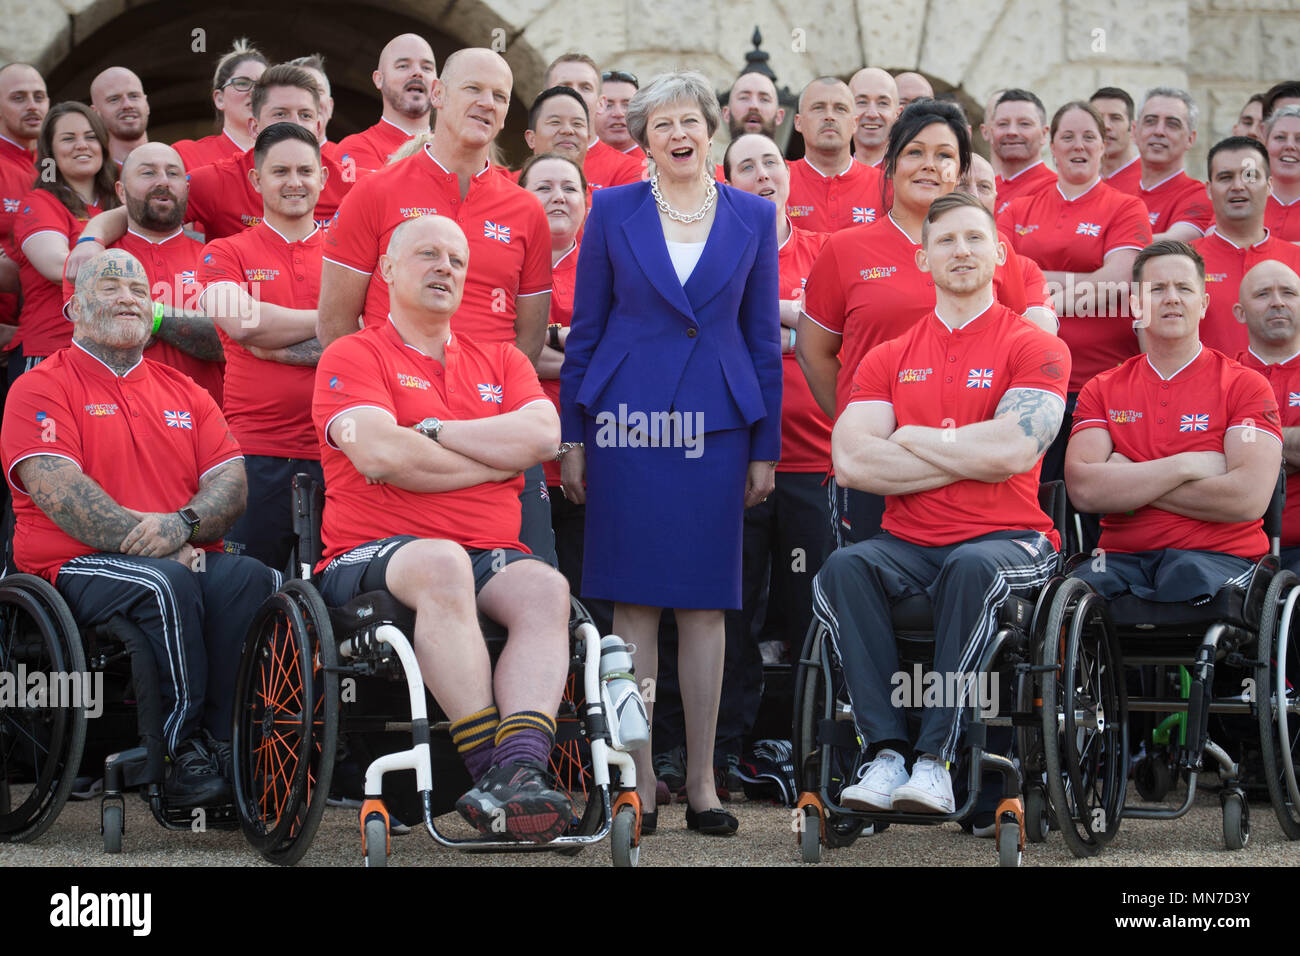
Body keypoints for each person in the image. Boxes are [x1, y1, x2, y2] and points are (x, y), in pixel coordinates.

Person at [559, 71, 781, 836]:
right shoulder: (611, 208)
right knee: (635, 607)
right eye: (662, 125)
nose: (678, 134)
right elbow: (585, 331)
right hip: (625, 426)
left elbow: (762, 343)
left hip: (718, 430)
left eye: (690, 120)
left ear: (710, 129)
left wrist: (765, 447)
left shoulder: (753, 213)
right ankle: (640, 776)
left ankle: (705, 782)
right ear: (644, 139)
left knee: (707, 605)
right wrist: (574, 438)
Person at [313, 214, 574, 843]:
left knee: (546, 588)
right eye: (428, 255)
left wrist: (431, 433)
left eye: (457, 261)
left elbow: (543, 437)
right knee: (443, 563)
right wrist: (491, 462)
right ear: (389, 270)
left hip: (489, 551)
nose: (446, 269)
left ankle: (520, 774)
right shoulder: (352, 354)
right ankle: (491, 770)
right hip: (369, 554)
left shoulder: (503, 358)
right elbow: (380, 456)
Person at [813, 192, 1068, 815]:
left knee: (971, 569)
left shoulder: (1035, 347)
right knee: (843, 566)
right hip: (908, 544)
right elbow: (852, 461)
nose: (961, 251)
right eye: (946, 242)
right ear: (922, 260)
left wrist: (916, 440)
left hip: (1010, 539)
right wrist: (967, 453)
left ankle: (937, 760)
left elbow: (1012, 450)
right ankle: (886, 754)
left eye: (975, 239)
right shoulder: (888, 356)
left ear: (1000, 255)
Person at [0, 248, 280, 806]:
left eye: (138, 289)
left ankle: (230, 746)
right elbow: (61, 494)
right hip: (71, 565)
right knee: (165, 583)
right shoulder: (40, 387)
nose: (128, 297)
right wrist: (158, 544)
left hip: (177, 547)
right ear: (74, 307)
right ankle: (181, 751)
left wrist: (183, 524)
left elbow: (230, 481)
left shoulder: (186, 392)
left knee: (252, 578)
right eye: (110, 288)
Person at [319, 48, 554, 564]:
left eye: (500, 96)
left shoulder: (525, 209)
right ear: (440, 95)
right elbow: (335, 322)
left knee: (540, 588)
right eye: (473, 89)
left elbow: (529, 337)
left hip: (497, 422)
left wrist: (491, 430)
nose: (487, 103)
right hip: (400, 425)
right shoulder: (375, 191)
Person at [799, 101, 1055, 545]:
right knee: (871, 586)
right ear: (891, 164)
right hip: (882, 465)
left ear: (959, 170)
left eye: (944, 155)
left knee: (961, 585)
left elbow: (1020, 339)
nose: (929, 166)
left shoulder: (992, 252)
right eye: (915, 152)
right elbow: (814, 350)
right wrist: (862, 427)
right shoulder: (845, 249)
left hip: (975, 465)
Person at [1065, 240, 1282, 609]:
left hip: (1218, 558)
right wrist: (1187, 466)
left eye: (1184, 288)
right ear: (1135, 304)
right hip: (1119, 560)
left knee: (1184, 579)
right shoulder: (1101, 388)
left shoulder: (1245, 385)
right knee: (1068, 597)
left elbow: (1248, 499)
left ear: (1203, 304)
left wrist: (1130, 479)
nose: (1171, 298)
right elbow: (1085, 491)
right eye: (1157, 289)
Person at [720, 131, 833, 779]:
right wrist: (792, 323)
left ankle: (806, 746)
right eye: (746, 166)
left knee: (807, 610)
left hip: (815, 463)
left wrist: (780, 321)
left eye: (771, 162)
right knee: (734, 612)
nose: (763, 174)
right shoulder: (721, 253)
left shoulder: (827, 250)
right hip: (738, 460)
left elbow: (831, 330)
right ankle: (731, 744)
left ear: (789, 177)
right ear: (728, 180)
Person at [997, 100, 1153, 486]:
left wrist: (1033, 291)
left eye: (1089, 137)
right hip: (1030, 380)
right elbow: (998, 281)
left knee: (1098, 500)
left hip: (1104, 384)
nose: (1078, 146)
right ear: (1052, 143)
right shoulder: (1018, 210)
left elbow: (1117, 282)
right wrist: (1085, 280)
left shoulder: (1127, 208)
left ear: (1104, 145)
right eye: (1068, 137)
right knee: (1035, 493)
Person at [200, 123, 327, 571]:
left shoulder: (348, 256)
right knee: (248, 593)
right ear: (256, 180)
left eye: (305, 170)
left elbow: (374, 337)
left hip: (340, 449)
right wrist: (333, 322)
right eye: (280, 171)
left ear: (323, 177)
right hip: (255, 451)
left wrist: (273, 339)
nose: (295, 182)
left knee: (337, 605)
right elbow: (244, 323)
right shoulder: (223, 252)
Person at [71, 65, 353, 256]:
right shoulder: (216, 180)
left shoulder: (352, 182)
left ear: (318, 126)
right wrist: (90, 240)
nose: (294, 125)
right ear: (254, 127)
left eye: (304, 115)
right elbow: (137, 212)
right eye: (280, 114)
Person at [65, 142, 225, 400]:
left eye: (173, 173)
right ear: (122, 192)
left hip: (206, 419)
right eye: (148, 173)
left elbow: (229, 343)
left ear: (186, 188)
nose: (163, 181)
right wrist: (190, 323)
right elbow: (93, 341)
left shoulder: (219, 256)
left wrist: (146, 316)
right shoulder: (91, 259)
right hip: (114, 415)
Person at [10, 103, 119, 382]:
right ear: (50, 153)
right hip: (51, 352)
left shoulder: (120, 203)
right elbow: (59, 266)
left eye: (90, 136)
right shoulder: (40, 202)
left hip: (113, 352)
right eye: (68, 138)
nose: (81, 145)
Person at [1192, 136, 1300, 356]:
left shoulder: (1296, 258)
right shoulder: (1182, 262)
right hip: (1207, 390)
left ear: (1269, 185)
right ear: (1209, 190)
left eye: (1250, 176)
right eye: (1225, 177)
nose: (1238, 186)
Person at [1233, 259, 1300, 574]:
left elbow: (1221, 448)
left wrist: (1244, 446)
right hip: (1231, 550)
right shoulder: (1220, 376)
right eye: (1263, 294)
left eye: (1288, 292)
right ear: (1240, 313)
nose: (1277, 302)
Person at [786, 76, 883, 233]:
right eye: (818, 108)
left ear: (854, 123)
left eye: (840, 108)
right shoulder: (778, 181)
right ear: (798, 122)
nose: (829, 116)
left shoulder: (885, 186)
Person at [1119, 87, 1213, 241]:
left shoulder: (1200, 195)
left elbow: (1175, 242)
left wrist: (1110, 244)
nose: (1159, 131)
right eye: (1150, 121)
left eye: (1172, 124)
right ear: (1134, 131)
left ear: (1190, 138)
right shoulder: (1116, 192)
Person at [335, 34, 435, 175]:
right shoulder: (354, 148)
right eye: (403, 66)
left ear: (438, 85)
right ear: (379, 79)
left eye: (427, 68)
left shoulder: (455, 152)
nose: (417, 73)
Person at [543, 54, 641, 190]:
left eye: (585, 88)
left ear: (601, 103)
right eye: (564, 86)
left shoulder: (631, 170)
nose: (575, 94)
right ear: (542, 100)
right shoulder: (517, 176)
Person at [0, 63, 48, 338]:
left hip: (37, 336)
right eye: (19, 98)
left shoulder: (54, 168)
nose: (32, 106)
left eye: (39, 97)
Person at [171, 39, 268, 171]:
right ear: (219, 99)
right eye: (242, 83)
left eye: (263, 85)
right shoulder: (186, 155)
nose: (254, 92)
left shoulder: (290, 154)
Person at [988, 89, 1055, 214]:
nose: (1012, 132)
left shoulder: (1054, 189)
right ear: (991, 132)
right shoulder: (983, 188)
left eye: (1024, 124)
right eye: (1003, 124)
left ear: (1044, 134)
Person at [89, 67, 149, 166]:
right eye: (114, 99)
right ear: (95, 113)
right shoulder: (89, 178)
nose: (127, 105)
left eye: (134, 96)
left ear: (146, 104)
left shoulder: (180, 162)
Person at [522, 86, 590, 172]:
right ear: (531, 139)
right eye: (555, 122)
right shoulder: (506, 184)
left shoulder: (608, 184)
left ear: (588, 140)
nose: (567, 130)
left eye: (577, 123)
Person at [1090, 86, 1141, 192]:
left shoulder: (1148, 181)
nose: (1105, 126)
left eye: (1115, 118)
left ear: (1133, 128)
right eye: (1098, 118)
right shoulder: (1082, 182)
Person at [849, 68, 899, 169]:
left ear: (898, 114)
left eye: (883, 103)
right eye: (862, 102)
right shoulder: (830, 174)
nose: (872, 114)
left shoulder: (908, 177)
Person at [1264, 105, 1300, 242]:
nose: (1290, 145)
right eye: (1280, 137)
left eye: (1299, 139)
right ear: (1265, 144)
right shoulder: (1243, 197)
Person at [595, 69, 642, 160]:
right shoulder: (574, 163)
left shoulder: (661, 164)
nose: (618, 113)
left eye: (627, 104)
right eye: (607, 105)